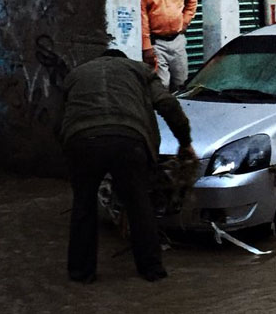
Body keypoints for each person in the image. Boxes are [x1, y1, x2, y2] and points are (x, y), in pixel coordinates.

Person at [58, 48, 196, 283]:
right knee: (139, 204)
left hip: (81, 141)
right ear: (123, 59)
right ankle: (151, 269)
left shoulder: (76, 75)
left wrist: (68, 154)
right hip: (128, 140)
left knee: (83, 205)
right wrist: (185, 142)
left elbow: (58, 120)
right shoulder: (140, 70)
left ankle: (81, 273)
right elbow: (168, 104)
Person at [140, 0, 197, 91]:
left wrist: (186, 20)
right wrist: (147, 47)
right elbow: (142, 16)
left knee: (181, 82)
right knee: (161, 84)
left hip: (177, 40)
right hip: (156, 42)